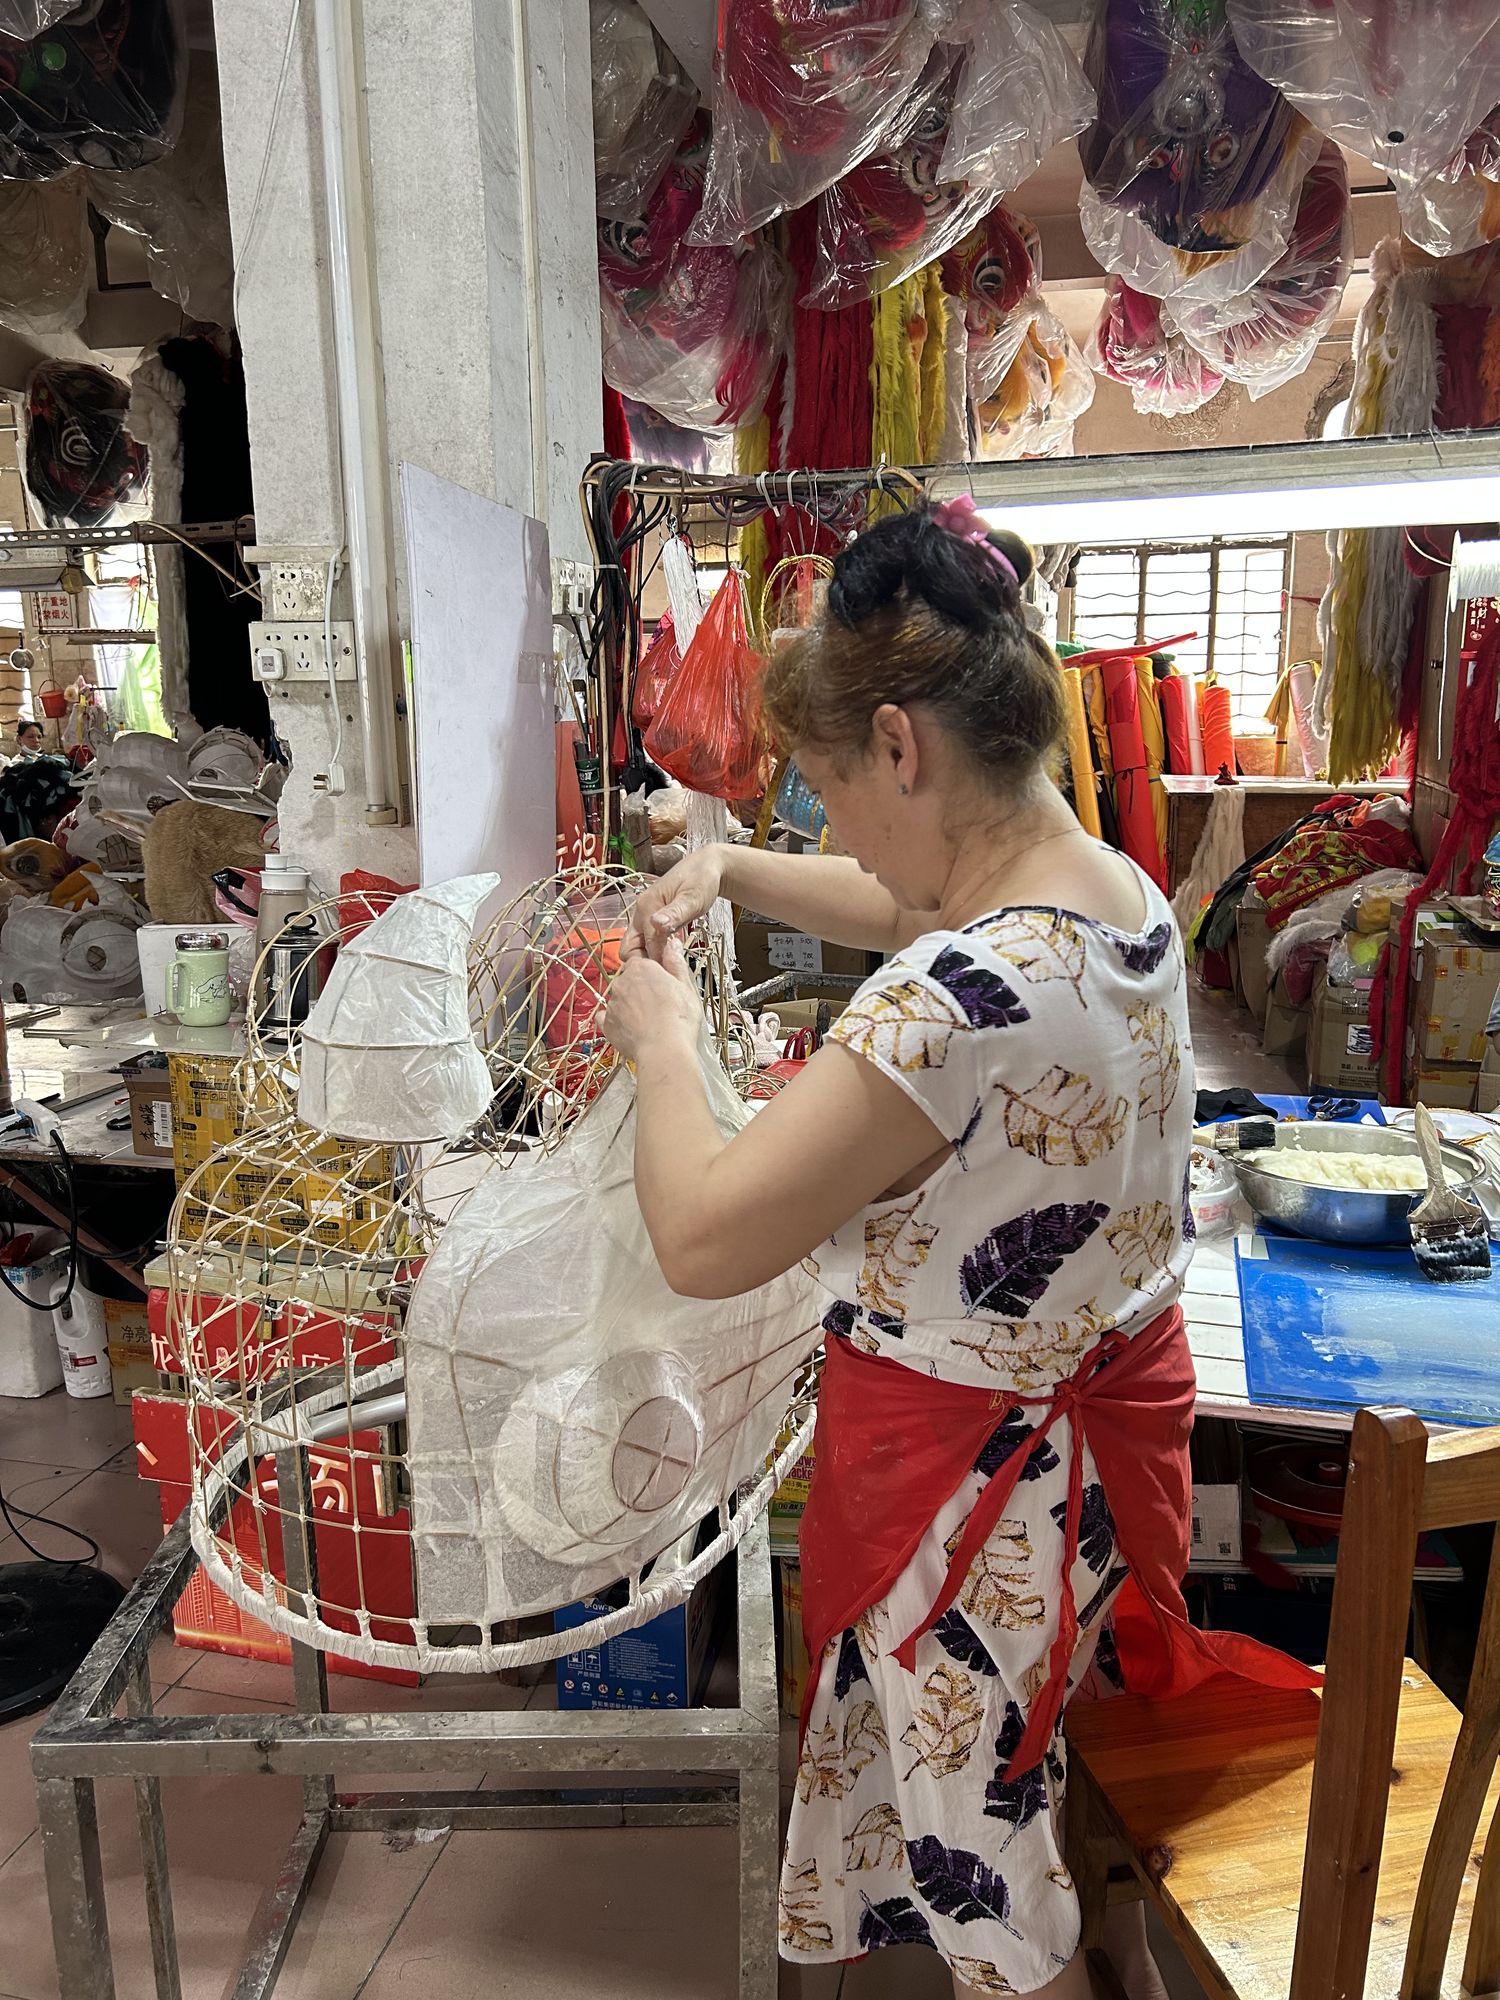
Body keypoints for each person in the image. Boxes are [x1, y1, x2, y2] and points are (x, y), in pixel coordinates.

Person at [603, 500, 1311, 2000]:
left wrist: (665, 1042)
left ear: (903, 749)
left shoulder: (951, 1003)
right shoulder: (1115, 898)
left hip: (977, 1507)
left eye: (824, 789)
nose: (828, 828)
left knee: (992, 1881)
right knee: (1057, 1812)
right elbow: (916, 897)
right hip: (1097, 1476)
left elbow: (703, 1234)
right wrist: (731, 872)